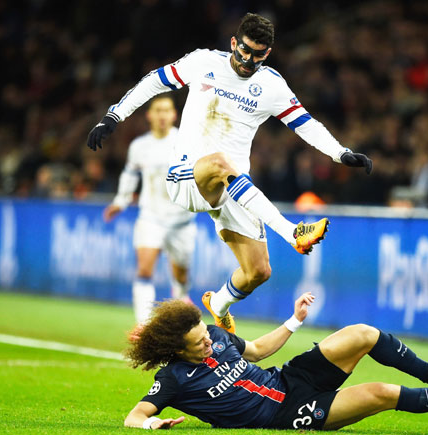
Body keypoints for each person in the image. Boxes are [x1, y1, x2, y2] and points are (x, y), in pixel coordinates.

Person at [87, 13, 372, 334]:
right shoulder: (203, 62)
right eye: (245, 51)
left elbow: (305, 123)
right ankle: (293, 233)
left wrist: (341, 153)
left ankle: (219, 303)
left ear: (268, 54)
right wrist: (114, 116)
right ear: (234, 43)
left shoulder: (272, 86)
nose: (249, 60)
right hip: (187, 176)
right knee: (222, 162)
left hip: (233, 186)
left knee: (259, 271)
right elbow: (155, 80)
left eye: (259, 55)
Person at [123, 294, 428, 431]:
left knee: (362, 333)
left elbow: (256, 350)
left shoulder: (217, 334)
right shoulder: (174, 378)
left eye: (206, 334)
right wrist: (153, 422)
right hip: (286, 414)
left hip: (290, 378)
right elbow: (134, 417)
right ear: (178, 350)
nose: (208, 339)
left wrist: (294, 321)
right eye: (199, 342)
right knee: (380, 393)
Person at [103, 95, 197, 326]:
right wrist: (121, 200)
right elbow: (130, 173)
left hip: (181, 220)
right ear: (150, 115)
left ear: (174, 115)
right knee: (144, 269)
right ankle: (144, 325)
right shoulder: (139, 146)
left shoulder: (187, 141)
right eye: (158, 110)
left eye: (167, 110)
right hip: (151, 217)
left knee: (181, 275)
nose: (162, 115)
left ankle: (181, 296)